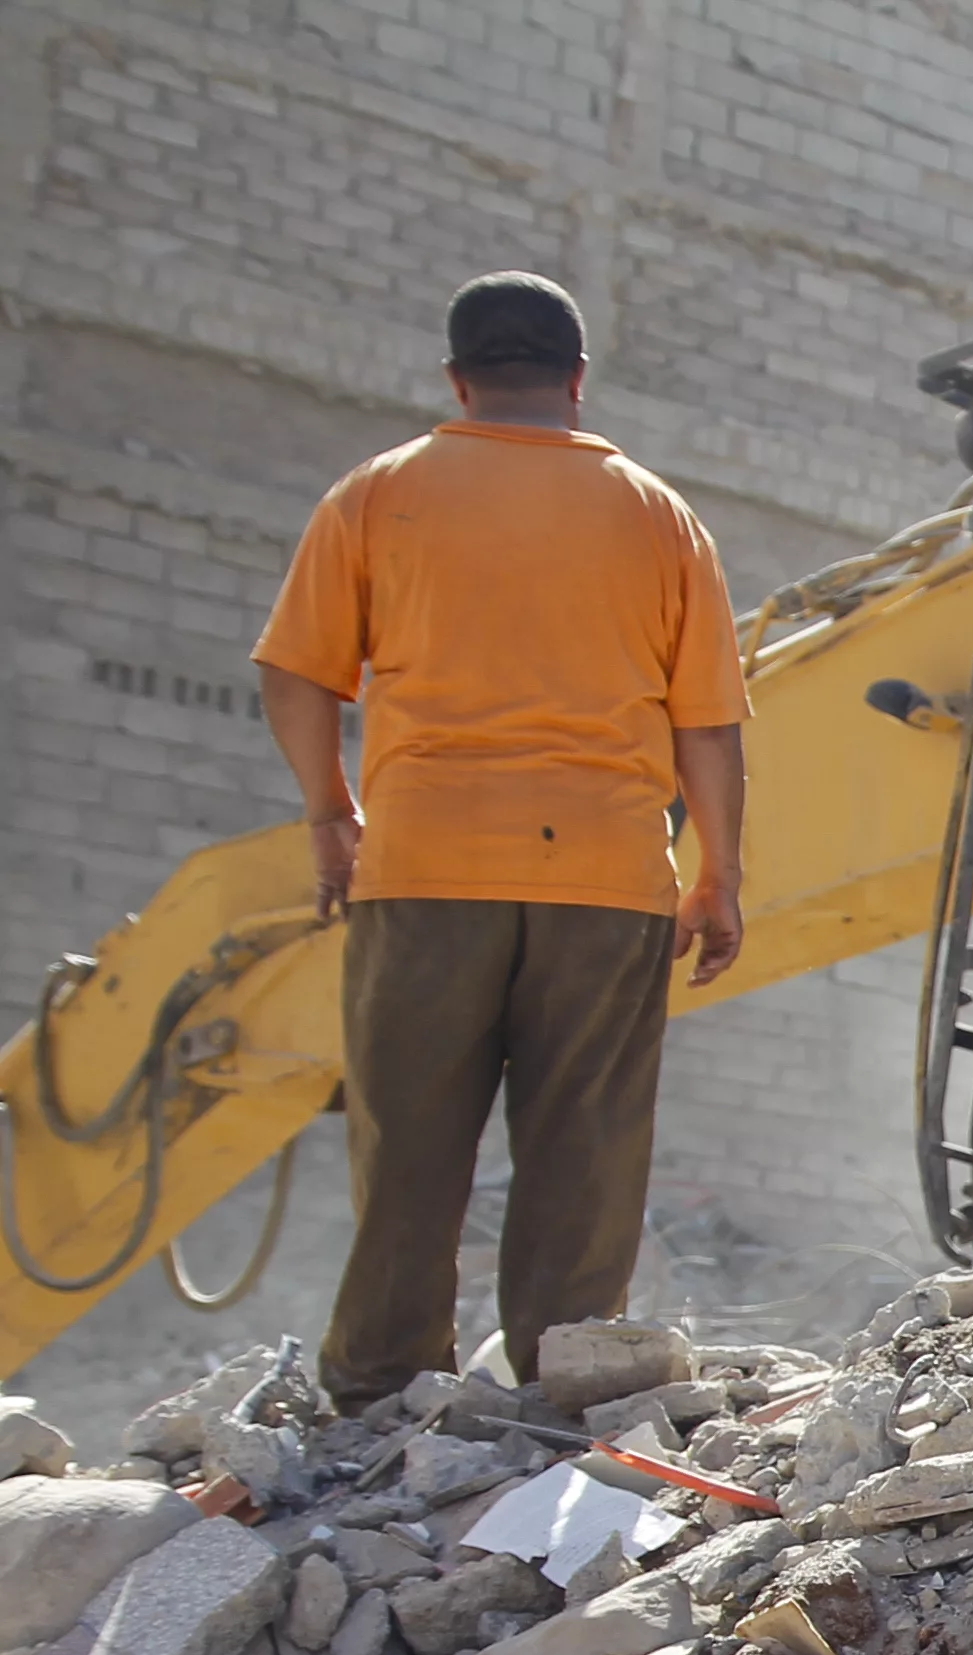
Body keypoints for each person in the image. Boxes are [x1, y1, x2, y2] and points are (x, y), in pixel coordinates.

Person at [252, 269, 751, 1409]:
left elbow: (295, 674)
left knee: (411, 1146)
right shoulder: (658, 515)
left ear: (457, 380)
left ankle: (381, 1389)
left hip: (423, 867)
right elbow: (709, 723)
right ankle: (566, 1382)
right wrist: (718, 874)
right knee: (585, 1154)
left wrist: (332, 813)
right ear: (577, 382)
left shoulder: (377, 497)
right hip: (609, 877)